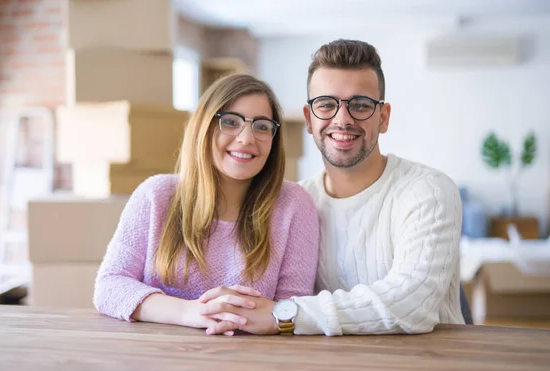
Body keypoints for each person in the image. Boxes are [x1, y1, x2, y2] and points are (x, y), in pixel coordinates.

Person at [198, 39, 466, 336]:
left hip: (429, 368)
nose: (342, 119)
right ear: (309, 119)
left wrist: (285, 315)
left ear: (384, 117)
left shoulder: (428, 191)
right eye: (326, 105)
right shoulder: (295, 205)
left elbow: (412, 304)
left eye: (361, 105)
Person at [93, 73, 319, 334]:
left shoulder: (294, 204)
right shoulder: (155, 195)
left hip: (256, 361)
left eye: (262, 126)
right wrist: (192, 312)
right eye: (231, 122)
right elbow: (109, 286)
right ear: (204, 127)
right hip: (159, 359)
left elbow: (294, 307)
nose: (247, 138)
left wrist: (252, 315)